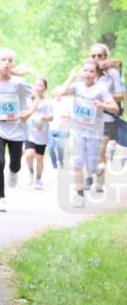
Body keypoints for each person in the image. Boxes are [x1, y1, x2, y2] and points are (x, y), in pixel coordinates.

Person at [0, 49, 37, 212]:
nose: (6, 63)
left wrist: (30, 111)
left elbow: (36, 97)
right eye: (3, 60)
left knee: (15, 164)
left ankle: (14, 172)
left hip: (17, 127)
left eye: (10, 60)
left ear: (13, 64)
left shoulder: (19, 83)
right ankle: (1, 198)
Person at [56, 59, 118, 204]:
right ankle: (79, 195)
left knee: (91, 167)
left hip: (94, 133)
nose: (88, 74)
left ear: (96, 74)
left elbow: (115, 108)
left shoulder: (101, 89)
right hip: (77, 130)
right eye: (85, 70)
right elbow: (60, 93)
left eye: (91, 71)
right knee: (77, 163)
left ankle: (98, 170)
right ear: (82, 73)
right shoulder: (77, 87)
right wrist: (70, 77)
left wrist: (102, 104)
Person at [90, 44, 125, 177]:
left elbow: (121, 95)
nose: (96, 58)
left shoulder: (112, 74)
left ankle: (94, 178)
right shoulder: (88, 72)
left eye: (100, 55)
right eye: (93, 55)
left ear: (106, 57)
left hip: (107, 116)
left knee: (101, 147)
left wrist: (104, 100)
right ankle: (97, 174)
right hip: (89, 118)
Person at [24, 78, 53, 189]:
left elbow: (51, 118)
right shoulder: (28, 101)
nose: (37, 87)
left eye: (40, 85)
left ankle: (38, 179)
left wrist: (42, 117)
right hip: (29, 133)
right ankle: (31, 172)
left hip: (41, 135)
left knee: (39, 158)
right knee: (29, 155)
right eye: (35, 84)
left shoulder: (47, 103)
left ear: (45, 88)